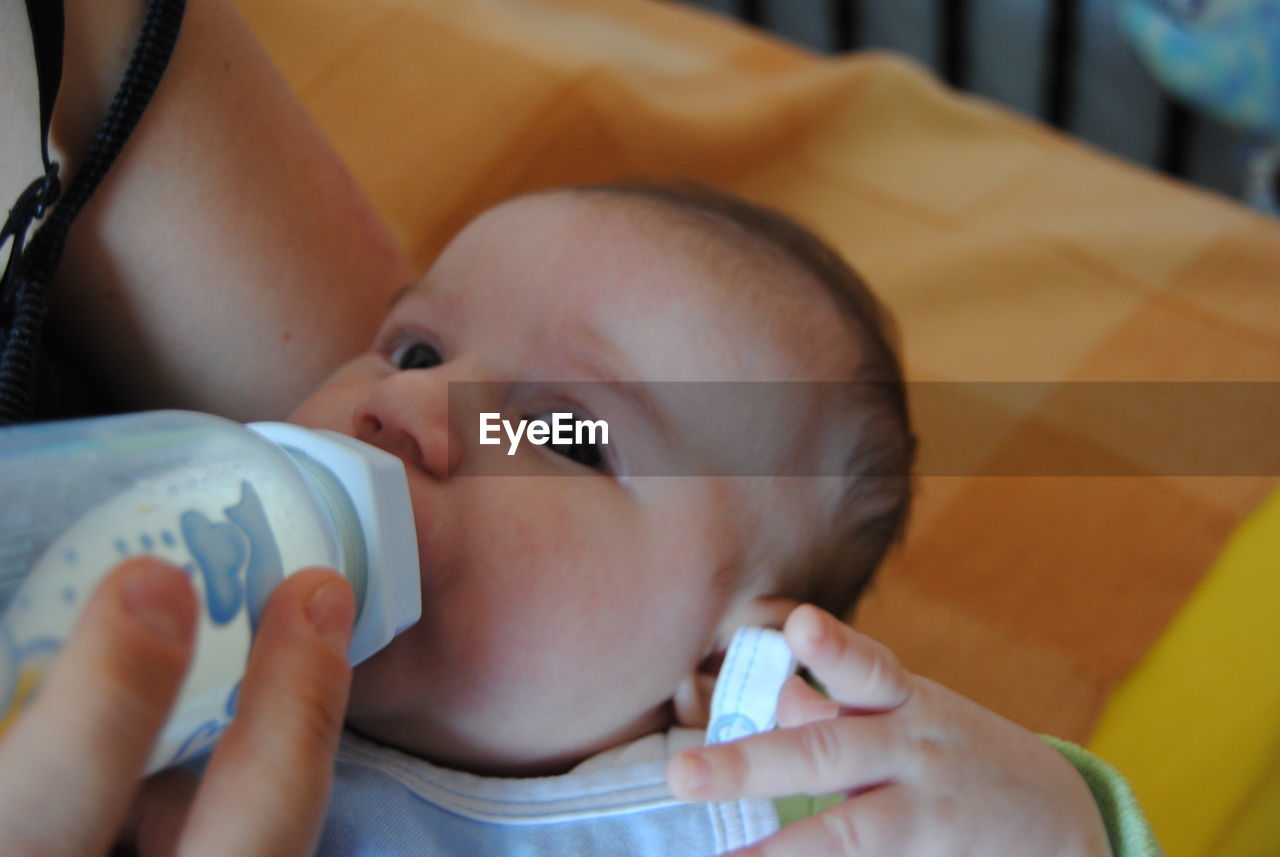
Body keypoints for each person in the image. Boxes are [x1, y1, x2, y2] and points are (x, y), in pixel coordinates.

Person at [0, 2, 1156, 856]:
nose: (417, 408)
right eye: (415, 349)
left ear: (717, 669)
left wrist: (1054, 824)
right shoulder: (177, 626)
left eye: (560, 431)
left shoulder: (735, 808)